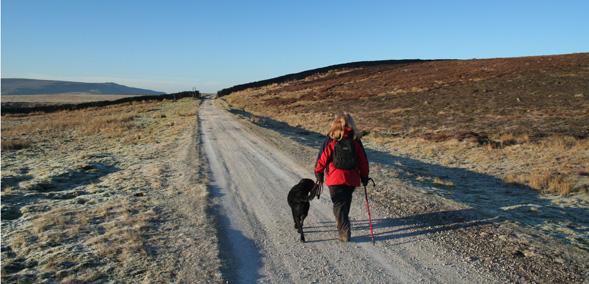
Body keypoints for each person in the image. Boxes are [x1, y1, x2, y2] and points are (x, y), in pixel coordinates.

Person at [315, 113, 369, 242]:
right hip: (352, 178)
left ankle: (344, 231)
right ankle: (341, 222)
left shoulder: (331, 138)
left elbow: (322, 158)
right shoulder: (355, 140)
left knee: (339, 203)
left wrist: (318, 174)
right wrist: (365, 177)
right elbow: (363, 161)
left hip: (334, 178)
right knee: (346, 201)